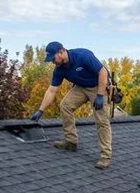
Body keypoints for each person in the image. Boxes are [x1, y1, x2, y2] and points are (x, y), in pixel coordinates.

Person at [29, 41, 112, 169]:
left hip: (98, 86)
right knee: (65, 106)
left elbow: (103, 72)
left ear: (61, 52)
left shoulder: (83, 56)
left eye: (53, 58)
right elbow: (52, 90)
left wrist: (100, 95)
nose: (53, 62)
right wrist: (41, 110)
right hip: (80, 87)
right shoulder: (59, 70)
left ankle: (105, 157)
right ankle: (71, 142)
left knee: (101, 120)